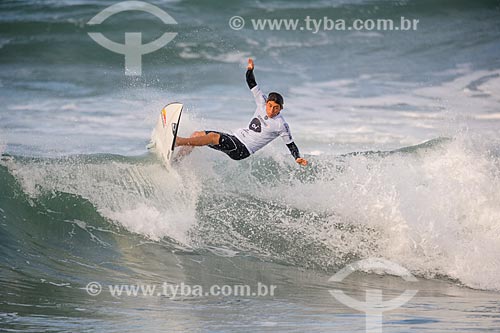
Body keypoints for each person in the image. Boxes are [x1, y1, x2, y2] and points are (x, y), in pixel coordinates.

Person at [175, 58, 308, 166]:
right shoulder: (261, 102)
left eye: (276, 108)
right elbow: (251, 82)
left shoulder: (280, 125)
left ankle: (178, 141)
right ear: (267, 102)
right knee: (197, 135)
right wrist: (250, 69)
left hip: (243, 149)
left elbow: (291, 145)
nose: (271, 110)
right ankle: (175, 162)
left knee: (213, 137)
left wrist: (297, 157)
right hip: (235, 138)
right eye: (270, 106)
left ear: (281, 109)